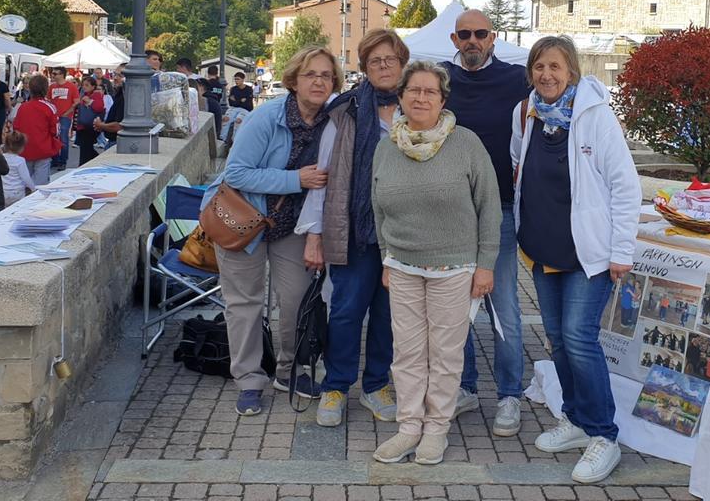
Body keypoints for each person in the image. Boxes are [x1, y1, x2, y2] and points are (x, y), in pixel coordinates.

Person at [511, 36, 641, 483]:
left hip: (590, 253)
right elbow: (518, 164)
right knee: (556, 339)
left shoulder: (595, 116)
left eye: (555, 66)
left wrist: (622, 251)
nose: (546, 75)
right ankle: (576, 419)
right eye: (539, 67)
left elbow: (625, 187)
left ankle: (604, 434)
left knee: (579, 338)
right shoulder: (524, 113)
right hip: (544, 249)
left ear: (571, 71)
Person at [369, 60, 501, 466]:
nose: (421, 97)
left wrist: (486, 264)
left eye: (430, 91)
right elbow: (378, 208)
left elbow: (489, 206)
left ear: (443, 99)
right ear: (402, 96)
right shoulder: (387, 145)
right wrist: (385, 259)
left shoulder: (466, 143)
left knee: (444, 354)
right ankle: (409, 427)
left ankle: (436, 429)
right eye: (414, 90)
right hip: (403, 264)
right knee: (406, 353)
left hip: (455, 266)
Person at [205, 46, 337, 416]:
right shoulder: (267, 118)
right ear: (294, 80)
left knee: (297, 299)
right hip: (243, 221)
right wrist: (297, 179)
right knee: (244, 304)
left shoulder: (331, 121)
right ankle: (248, 379)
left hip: (291, 225)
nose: (319, 81)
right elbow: (236, 173)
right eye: (311, 74)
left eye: (326, 75)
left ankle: (288, 370)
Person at [298, 30, 408, 427]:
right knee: (345, 311)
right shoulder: (343, 112)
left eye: (390, 60)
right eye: (375, 61)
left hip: (401, 234)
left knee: (388, 313)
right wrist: (314, 234)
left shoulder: (415, 108)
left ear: (402, 65)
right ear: (364, 67)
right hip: (354, 230)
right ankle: (336, 386)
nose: (383, 67)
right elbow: (323, 176)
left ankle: (377, 384)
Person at [440, 9, 530, 435]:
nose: (472, 40)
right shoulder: (440, 79)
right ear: (454, 40)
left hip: (503, 210)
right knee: (458, 308)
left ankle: (510, 394)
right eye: (464, 35)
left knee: (504, 307)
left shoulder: (516, 79)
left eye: (480, 33)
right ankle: (465, 386)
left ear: (492, 38)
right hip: (453, 212)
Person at [12, 75, 63, 185]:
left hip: (25, 149)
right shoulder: (49, 107)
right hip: (43, 149)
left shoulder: (23, 107)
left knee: (25, 183)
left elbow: (16, 127)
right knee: (40, 185)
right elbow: (56, 131)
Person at [47, 67, 78, 171]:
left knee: (63, 138)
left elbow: (76, 101)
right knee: (53, 137)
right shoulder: (52, 87)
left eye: (55, 73)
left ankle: (63, 161)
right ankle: (55, 159)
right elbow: (48, 100)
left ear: (62, 75)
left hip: (65, 117)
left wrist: (67, 113)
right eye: (53, 73)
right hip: (54, 116)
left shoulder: (71, 87)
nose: (53, 75)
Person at [75, 77, 106, 166]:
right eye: (83, 85)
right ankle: (97, 162)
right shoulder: (85, 94)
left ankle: (84, 165)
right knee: (86, 148)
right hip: (84, 126)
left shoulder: (96, 95)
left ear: (93, 86)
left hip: (88, 126)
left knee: (86, 149)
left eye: (87, 85)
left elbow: (99, 107)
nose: (84, 87)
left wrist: (89, 102)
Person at [1, 130, 37, 205]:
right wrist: (33, 189)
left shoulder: (1, 158)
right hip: (17, 191)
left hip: (3, 191)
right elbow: (26, 177)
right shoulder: (20, 161)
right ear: (21, 147)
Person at [94, 64, 126, 145]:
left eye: (120, 75)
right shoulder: (120, 93)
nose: (115, 78)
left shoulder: (126, 96)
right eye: (115, 74)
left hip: (119, 142)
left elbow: (120, 125)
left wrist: (101, 125)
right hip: (114, 140)